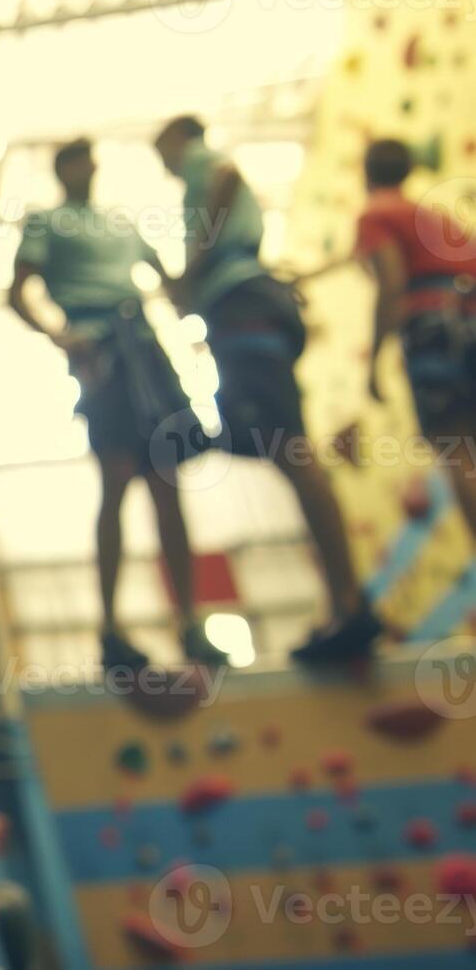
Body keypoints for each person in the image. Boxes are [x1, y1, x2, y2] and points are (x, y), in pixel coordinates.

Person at [153, 115, 380, 664]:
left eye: (163, 147)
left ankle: (349, 605)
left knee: (291, 453)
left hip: (243, 306)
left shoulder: (201, 163)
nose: (163, 158)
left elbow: (227, 177)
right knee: (281, 447)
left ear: (179, 138)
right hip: (244, 312)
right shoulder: (201, 179)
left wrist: (193, 269)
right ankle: (344, 604)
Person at [10, 139, 225, 672]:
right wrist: (61, 338)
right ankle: (109, 628)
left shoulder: (123, 225)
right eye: (79, 159)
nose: (89, 167)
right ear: (63, 170)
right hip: (101, 352)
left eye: (91, 158)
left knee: (166, 483)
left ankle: (190, 622)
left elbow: (173, 284)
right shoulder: (45, 223)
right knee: (116, 478)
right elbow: (15, 292)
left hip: (146, 348)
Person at [354, 139, 476, 539]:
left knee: (460, 451)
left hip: (437, 328)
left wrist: (374, 362)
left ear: (366, 173)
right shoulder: (434, 216)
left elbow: (391, 283)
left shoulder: (374, 215)